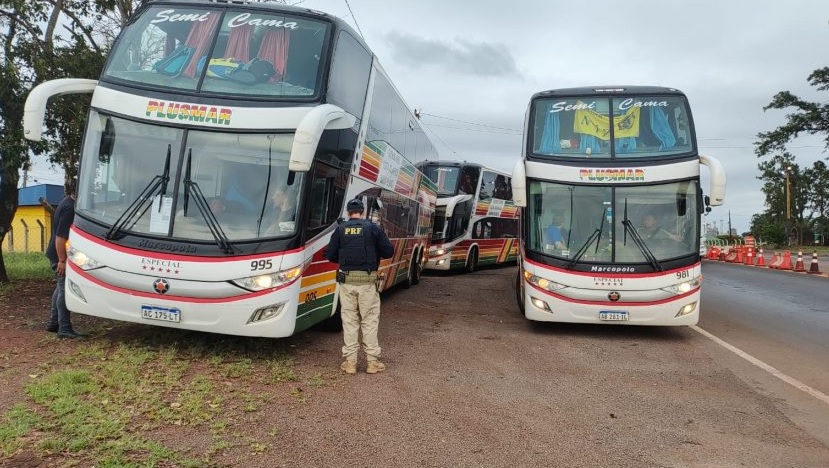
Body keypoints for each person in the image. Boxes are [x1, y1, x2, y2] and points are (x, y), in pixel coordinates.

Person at [324, 198, 394, 375]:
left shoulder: (340, 229)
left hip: (346, 283)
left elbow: (330, 255)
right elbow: (389, 252)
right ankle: (372, 363)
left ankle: (350, 363)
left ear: (348, 213)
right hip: (368, 283)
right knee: (369, 321)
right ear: (362, 212)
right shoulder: (373, 228)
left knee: (349, 322)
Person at [45, 180, 85, 339]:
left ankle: (54, 322)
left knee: (59, 287)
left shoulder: (66, 202)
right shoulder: (69, 208)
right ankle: (64, 328)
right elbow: (61, 237)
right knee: (63, 288)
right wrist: (62, 260)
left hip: (56, 252)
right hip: (60, 253)